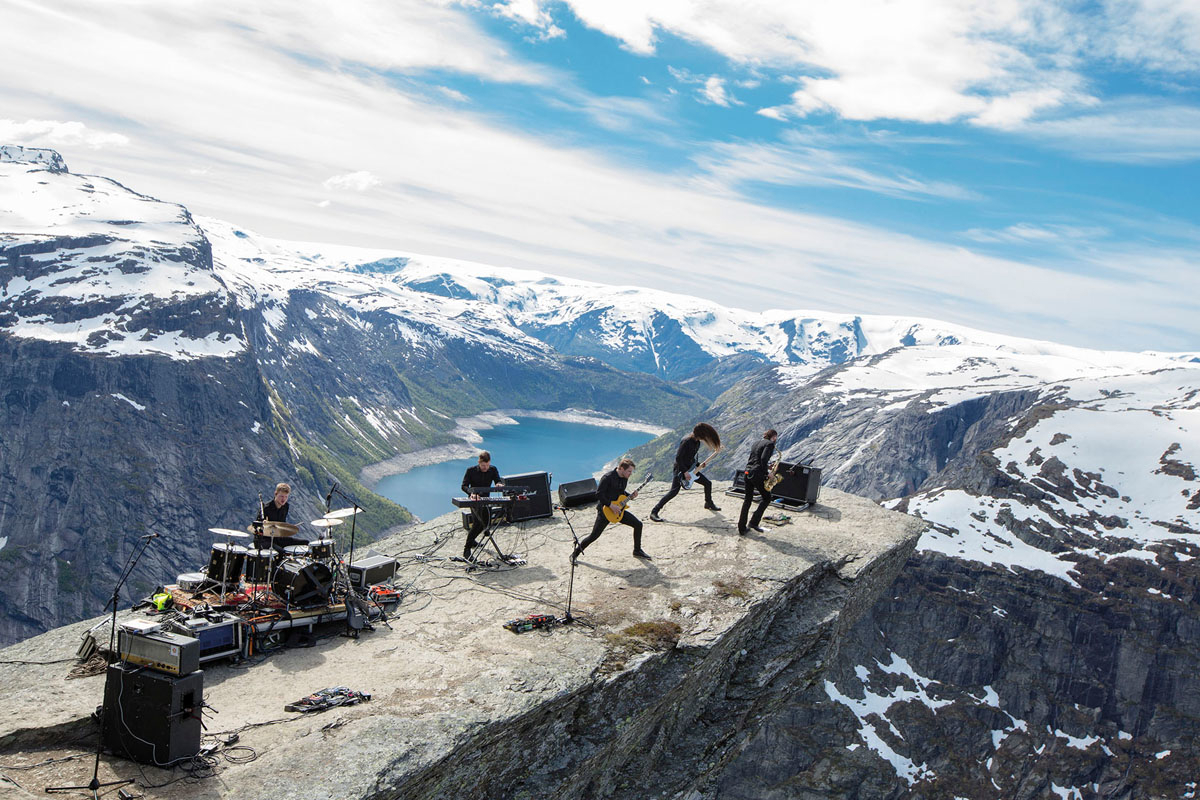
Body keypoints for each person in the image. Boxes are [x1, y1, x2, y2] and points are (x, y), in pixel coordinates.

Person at [571, 458, 651, 563]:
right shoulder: (607, 478)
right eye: (629, 471)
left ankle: (637, 550)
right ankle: (574, 554)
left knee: (638, 524)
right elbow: (599, 494)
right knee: (594, 536)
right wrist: (611, 505)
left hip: (618, 510)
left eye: (631, 472)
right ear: (621, 468)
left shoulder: (624, 477)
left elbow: (620, 492)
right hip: (605, 511)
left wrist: (630, 496)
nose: (630, 474)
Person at [649, 422, 721, 521]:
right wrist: (685, 472)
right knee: (673, 492)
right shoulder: (686, 441)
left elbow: (690, 458)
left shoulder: (697, 442)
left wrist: (698, 465)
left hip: (690, 470)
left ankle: (708, 503)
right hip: (680, 470)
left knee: (707, 483)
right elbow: (678, 458)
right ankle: (654, 512)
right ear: (700, 434)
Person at [460, 451, 504, 560]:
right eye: (483, 465)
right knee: (478, 524)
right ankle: (467, 549)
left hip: (486, 499)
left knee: (486, 523)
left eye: (487, 465)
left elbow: (497, 480)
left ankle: (473, 540)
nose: (486, 467)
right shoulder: (471, 471)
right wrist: (472, 493)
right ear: (479, 463)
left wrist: (498, 484)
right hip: (475, 500)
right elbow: (464, 486)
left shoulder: (493, 469)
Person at [738, 429, 778, 535]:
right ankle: (753, 522)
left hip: (747, 471)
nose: (775, 440)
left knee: (747, 500)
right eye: (776, 438)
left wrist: (766, 465)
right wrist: (768, 473)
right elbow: (763, 459)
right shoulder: (770, 444)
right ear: (773, 436)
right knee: (767, 497)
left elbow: (755, 458)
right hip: (757, 473)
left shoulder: (756, 443)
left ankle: (741, 528)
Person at [253, 482, 307, 548]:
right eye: (281, 496)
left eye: (286, 497)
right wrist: (263, 523)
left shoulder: (286, 507)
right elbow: (256, 527)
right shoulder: (266, 508)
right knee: (280, 551)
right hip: (265, 540)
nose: (283, 499)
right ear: (275, 494)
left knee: (305, 543)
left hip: (279, 538)